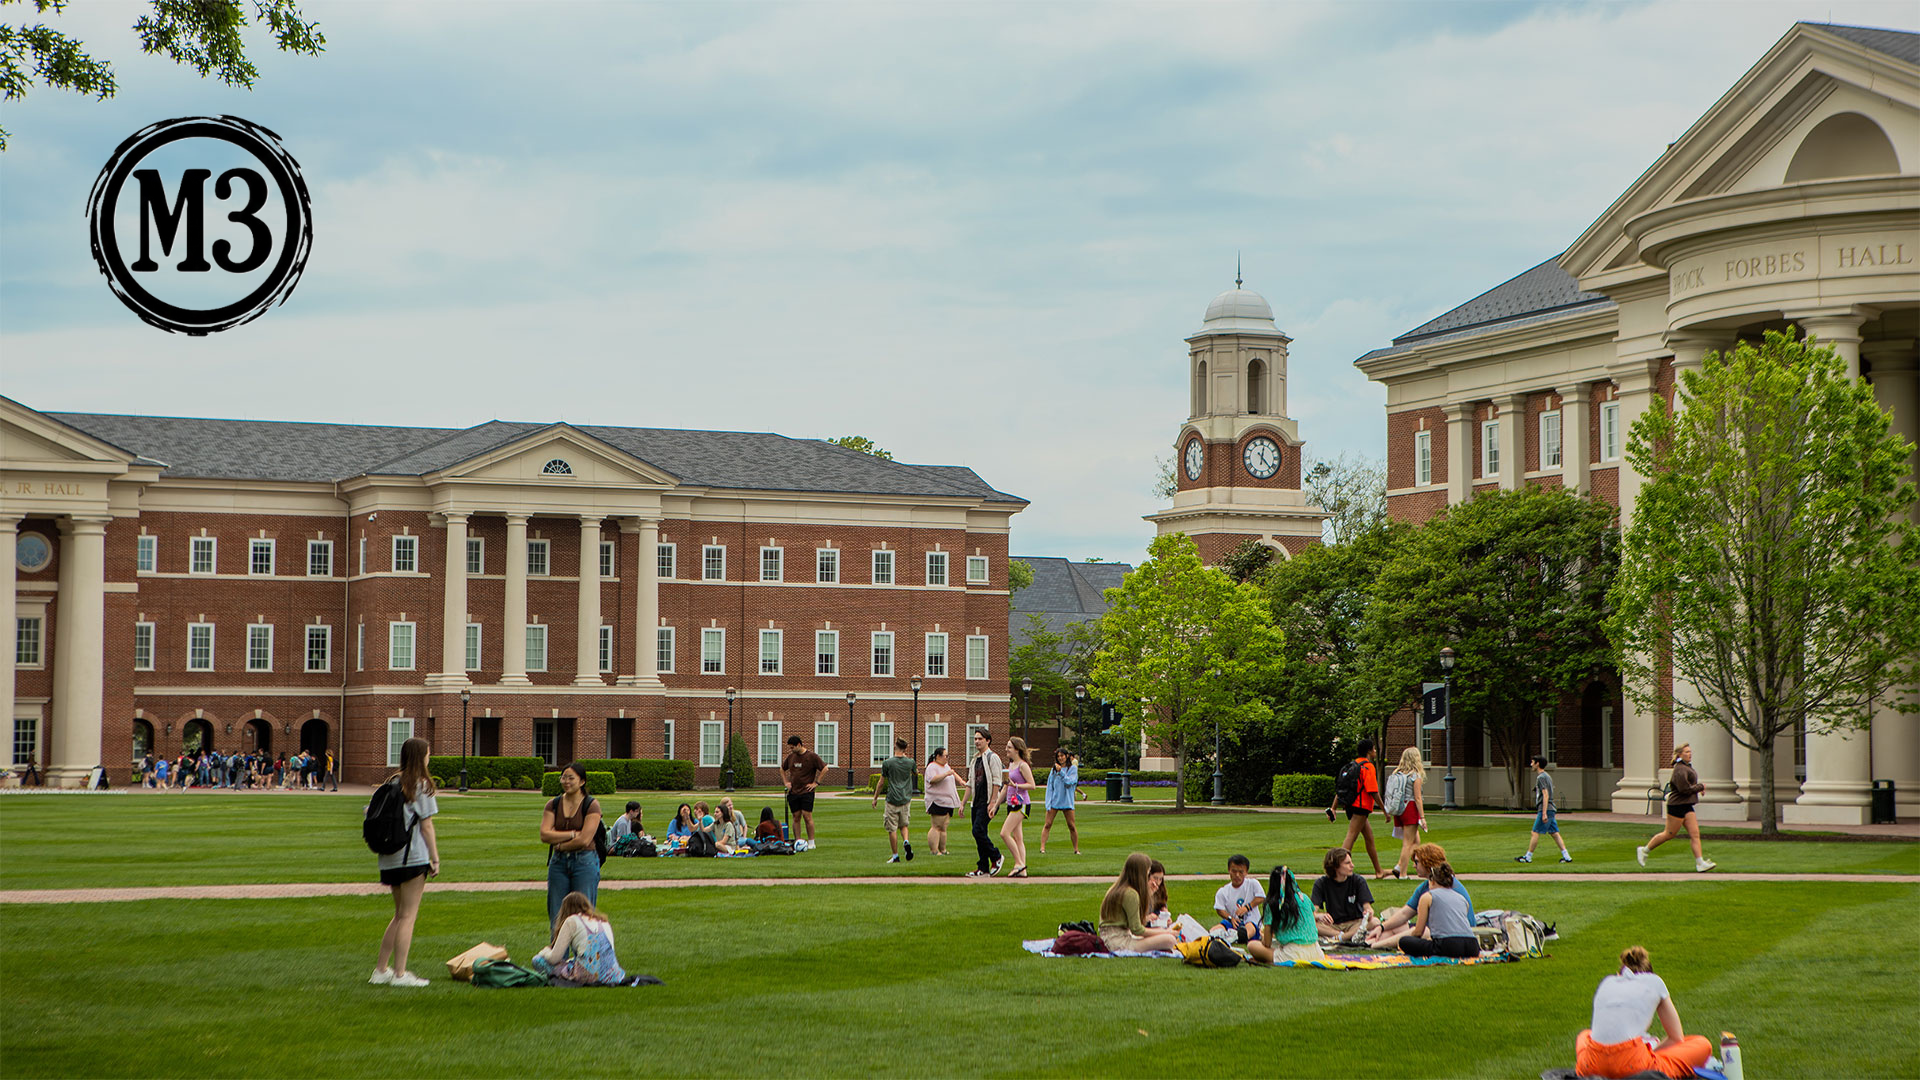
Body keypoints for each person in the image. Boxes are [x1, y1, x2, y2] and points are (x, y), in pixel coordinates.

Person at [1574, 946, 1714, 1079]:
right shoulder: (1655, 982)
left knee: (1585, 1034)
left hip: (1591, 1064)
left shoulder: (1608, 981)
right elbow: (1676, 1038)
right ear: (1650, 973)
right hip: (1633, 1065)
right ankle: (1641, 1060)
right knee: (1701, 1044)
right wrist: (1651, 1052)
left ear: (1619, 974)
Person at [370, 736, 439, 987]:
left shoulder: (393, 782)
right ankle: (399, 974)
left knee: (399, 915)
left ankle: (381, 970)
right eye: (428, 753)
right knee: (408, 916)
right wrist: (435, 858)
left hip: (389, 857)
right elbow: (427, 826)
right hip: (412, 857)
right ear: (421, 756)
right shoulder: (421, 785)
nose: (429, 757)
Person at [1368, 842, 1472, 950]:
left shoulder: (1433, 893)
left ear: (1428, 862)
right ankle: (1369, 942)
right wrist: (1381, 927)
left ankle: (1374, 945)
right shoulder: (1431, 887)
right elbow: (1405, 913)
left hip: (1447, 937)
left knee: (1410, 937)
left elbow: (1418, 931)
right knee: (1398, 927)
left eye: (1417, 862)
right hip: (1469, 942)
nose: (1414, 866)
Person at [538, 762, 603, 926]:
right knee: (557, 915)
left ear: (582, 781)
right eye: (563, 777)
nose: (566, 781)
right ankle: (558, 944)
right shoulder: (553, 804)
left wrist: (560, 845)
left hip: (584, 862)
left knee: (584, 916)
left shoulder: (591, 805)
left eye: (571, 778)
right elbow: (544, 834)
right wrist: (572, 834)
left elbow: (584, 840)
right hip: (558, 863)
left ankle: (583, 945)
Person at [1637, 743, 1716, 873]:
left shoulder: (1686, 767)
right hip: (1677, 805)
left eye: (1690, 751)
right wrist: (1700, 787)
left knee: (1695, 834)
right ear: (1680, 754)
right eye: (1686, 752)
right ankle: (1644, 850)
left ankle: (1700, 863)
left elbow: (1689, 786)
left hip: (1686, 805)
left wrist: (1699, 788)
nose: (1690, 754)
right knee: (1669, 834)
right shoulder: (1680, 769)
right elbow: (1684, 789)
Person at [531, 891, 627, 987]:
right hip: (613, 976)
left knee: (537, 960)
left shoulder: (571, 921)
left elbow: (554, 958)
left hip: (586, 976)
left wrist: (545, 952)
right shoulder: (603, 921)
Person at [1097, 852, 1181, 953]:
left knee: (1162, 933)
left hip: (1116, 937)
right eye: (1147, 873)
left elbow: (1138, 922)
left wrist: (1149, 894)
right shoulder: (1130, 894)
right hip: (1118, 942)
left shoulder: (1119, 888)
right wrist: (1165, 932)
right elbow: (1137, 929)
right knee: (1169, 939)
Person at [1329, 737, 1383, 876]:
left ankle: (1379, 871)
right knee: (1351, 836)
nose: (1375, 751)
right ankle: (1337, 868)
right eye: (1374, 749)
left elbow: (1341, 790)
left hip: (1351, 805)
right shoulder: (1368, 767)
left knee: (1369, 838)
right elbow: (1373, 791)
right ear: (1369, 751)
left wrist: (1333, 808)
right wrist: (1385, 811)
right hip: (1361, 807)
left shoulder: (1352, 765)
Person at [1248, 866, 1323, 965]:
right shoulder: (1304, 898)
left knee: (1252, 945)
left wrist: (1263, 937)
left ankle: (1271, 960)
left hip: (1292, 954)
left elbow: (1267, 943)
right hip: (1316, 952)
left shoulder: (1272, 904)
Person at [1311, 847, 1376, 945]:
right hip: (1332, 925)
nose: (1352, 866)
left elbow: (1368, 907)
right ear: (1335, 867)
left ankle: (1340, 938)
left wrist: (1369, 913)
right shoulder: (1321, 883)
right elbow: (1311, 913)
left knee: (1374, 921)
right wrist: (1319, 916)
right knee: (1310, 924)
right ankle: (1345, 937)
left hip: (1354, 923)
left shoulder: (1358, 881)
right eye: (1347, 863)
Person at [1516, 754, 1572, 864]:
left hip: (1546, 808)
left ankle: (1528, 857)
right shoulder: (1547, 776)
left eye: (1532, 762)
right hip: (1550, 809)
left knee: (1535, 832)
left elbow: (1545, 794)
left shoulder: (1541, 777)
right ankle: (1567, 857)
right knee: (1554, 833)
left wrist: (1544, 812)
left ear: (1537, 764)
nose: (1531, 764)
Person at [964, 730, 1005, 878]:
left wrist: (993, 801)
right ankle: (983, 868)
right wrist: (963, 803)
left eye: (980, 739)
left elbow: (997, 781)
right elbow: (970, 782)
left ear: (988, 740)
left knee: (978, 830)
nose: (976, 741)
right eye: (975, 739)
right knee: (980, 834)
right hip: (976, 802)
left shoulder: (992, 758)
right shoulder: (975, 759)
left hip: (988, 802)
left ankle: (996, 856)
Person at [1383, 746, 1427, 879]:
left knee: (1416, 841)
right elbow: (1418, 798)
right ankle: (1402, 873)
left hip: (1400, 809)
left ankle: (1399, 867)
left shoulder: (1397, 773)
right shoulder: (1415, 776)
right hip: (1410, 808)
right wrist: (1422, 817)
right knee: (1408, 843)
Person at [872, 738, 917, 864]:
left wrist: (875, 798)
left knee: (892, 828)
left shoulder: (888, 763)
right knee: (904, 825)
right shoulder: (910, 762)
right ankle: (906, 841)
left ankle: (895, 855)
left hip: (892, 799)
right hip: (905, 798)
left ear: (895, 747)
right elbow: (915, 773)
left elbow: (881, 782)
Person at [781, 734, 827, 849]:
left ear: (799, 745)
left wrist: (816, 783)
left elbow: (825, 768)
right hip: (794, 792)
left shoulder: (811, 756)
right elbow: (782, 769)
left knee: (807, 816)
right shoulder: (791, 757)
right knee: (796, 817)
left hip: (806, 792)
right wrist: (786, 782)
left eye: (792, 747)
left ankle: (811, 842)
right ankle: (798, 841)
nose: (791, 750)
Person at [997, 737, 1035, 877]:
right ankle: (1022, 871)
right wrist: (995, 806)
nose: (1006, 749)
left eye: (1009, 747)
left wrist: (1016, 785)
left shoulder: (1022, 765)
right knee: (1018, 837)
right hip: (1011, 803)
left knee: (1004, 833)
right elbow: (1005, 788)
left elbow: (1032, 785)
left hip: (1021, 803)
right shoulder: (1011, 765)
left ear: (1017, 749)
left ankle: (1019, 864)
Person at [1213, 854, 1266, 943]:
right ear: (1229, 870)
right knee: (1216, 928)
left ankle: (1240, 937)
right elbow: (1219, 909)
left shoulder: (1252, 884)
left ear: (1246, 872)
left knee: (1250, 927)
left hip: (1251, 921)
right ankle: (1215, 936)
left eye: (1241, 872)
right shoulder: (1223, 891)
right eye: (1234, 871)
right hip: (1233, 921)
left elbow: (1261, 897)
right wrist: (1230, 918)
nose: (1237, 875)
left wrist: (1247, 907)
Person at [1040, 748, 1081, 855]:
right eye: (1058, 756)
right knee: (1048, 824)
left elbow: (1070, 782)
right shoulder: (1053, 770)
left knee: (1071, 826)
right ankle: (1042, 848)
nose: (1060, 758)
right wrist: (1048, 803)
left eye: (1062, 756)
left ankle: (1076, 849)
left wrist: (1061, 772)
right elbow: (1050, 786)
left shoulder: (1072, 769)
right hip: (1055, 801)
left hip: (1067, 801)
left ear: (1066, 756)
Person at [923, 747, 962, 855]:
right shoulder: (932, 767)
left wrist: (961, 781)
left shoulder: (946, 766)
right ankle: (934, 850)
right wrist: (946, 774)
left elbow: (952, 773)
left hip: (948, 801)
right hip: (937, 801)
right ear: (938, 756)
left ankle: (943, 849)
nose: (947, 758)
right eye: (945, 756)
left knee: (944, 827)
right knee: (936, 826)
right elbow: (932, 780)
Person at [1144, 859, 1173, 929]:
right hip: (1144, 927)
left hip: (1157, 925)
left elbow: (1162, 906)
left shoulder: (1160, 891)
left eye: (1160, 879)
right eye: (1155, 878)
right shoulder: (1139, 892)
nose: (1157, 882)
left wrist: (1166, 916)